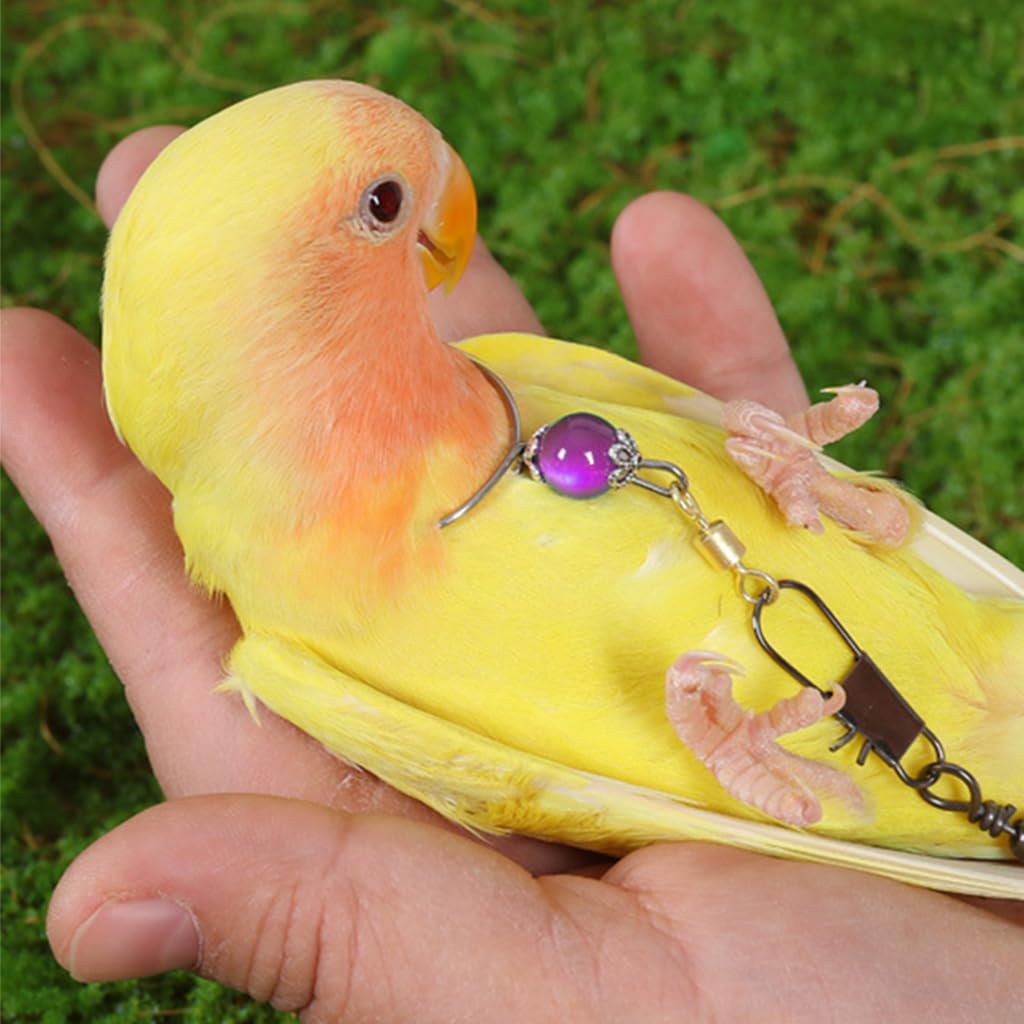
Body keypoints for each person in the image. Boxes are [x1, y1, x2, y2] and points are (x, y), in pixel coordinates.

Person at [2, 126, 1020, 1022]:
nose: (447, 192)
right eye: (384, 202)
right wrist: (745, 767)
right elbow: (592, 790)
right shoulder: (303, 650)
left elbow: (784, 480)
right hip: (925, 777)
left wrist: (811, 477)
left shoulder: (502, 373)